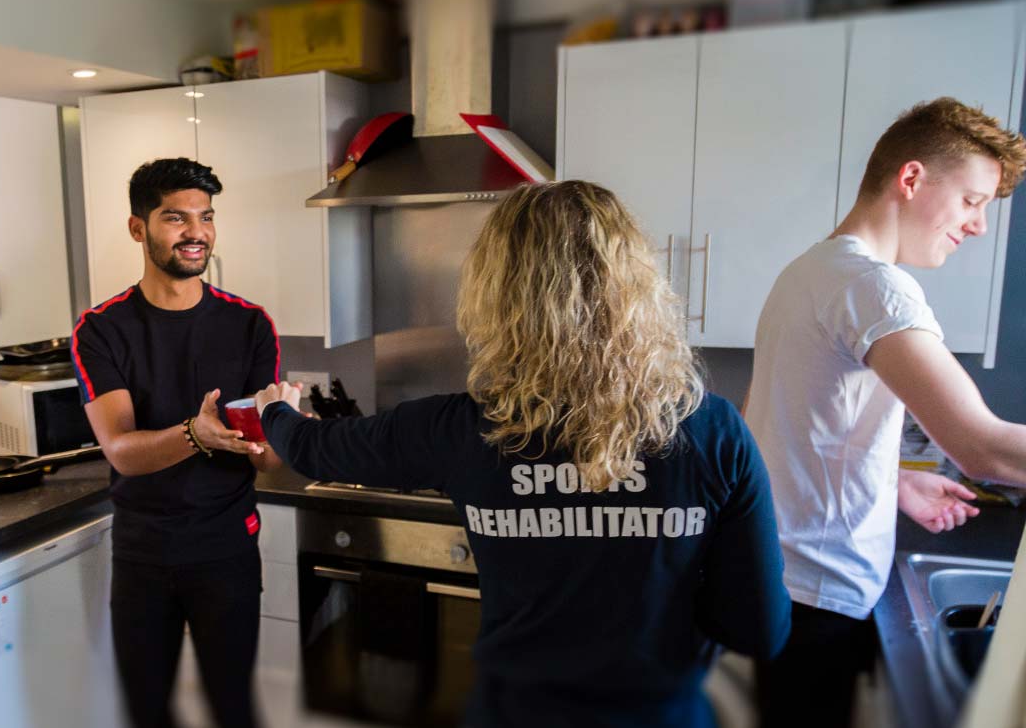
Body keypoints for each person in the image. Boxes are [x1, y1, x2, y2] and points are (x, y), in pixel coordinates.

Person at [257, 181, 791, 728]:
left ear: (497, 294)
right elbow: (759, 630)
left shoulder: (458, 430)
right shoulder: (711, 430)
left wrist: (275, 409)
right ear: (637, 285)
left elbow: (316, 449)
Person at [745, 97, 1026, 727]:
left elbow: (782, 431)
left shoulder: (809, 270)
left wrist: (893, 481)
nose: (978, 226)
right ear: (912, 178)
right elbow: (985, 447)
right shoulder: (875, 287)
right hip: (821, 596)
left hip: (788, 583)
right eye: (971, 202)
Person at [72, 157, 283, 728]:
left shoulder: (250, 324)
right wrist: (197, 433)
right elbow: (120, 451)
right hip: (143, 553)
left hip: (227, 548)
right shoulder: (101, 329)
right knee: (147, 711)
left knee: (233, 707)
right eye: (176, 218)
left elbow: (267, 462)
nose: (197, 233)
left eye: (206, 216)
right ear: (138, 228)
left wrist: (281, 433)